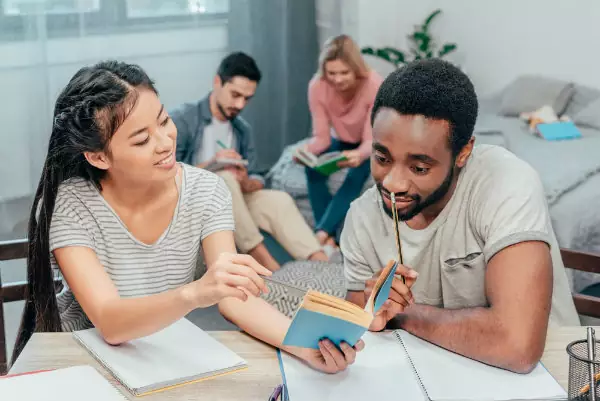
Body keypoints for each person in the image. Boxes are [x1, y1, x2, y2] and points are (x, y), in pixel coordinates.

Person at [11, 60, 363, 374]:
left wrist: (302, 347)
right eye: (141, 140)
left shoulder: (205, 191)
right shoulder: (72, 204)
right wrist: (195, 293)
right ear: (99, 157)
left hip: (157, 358)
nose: (165, 142)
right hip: (80, 361)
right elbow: (111, 322)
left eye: (164, 121)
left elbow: (233, 298)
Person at [341, 58, 580, 374]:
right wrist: (372, 312)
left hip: (549, 378)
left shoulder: (506, 183)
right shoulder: (361, 216)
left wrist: (404, 314)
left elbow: (518, 347)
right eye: (382, 157)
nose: (393, 184)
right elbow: (358, 322)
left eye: (419, 167)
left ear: (464, 152)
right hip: (431, 374)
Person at [172, 52, 327, 272]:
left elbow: (255, 173)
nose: (240, 104)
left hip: (235, 199)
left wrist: (248, 181)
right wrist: (212, 163)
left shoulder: (242, 129)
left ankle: (323, 265)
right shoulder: (184, 119)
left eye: (246, 98)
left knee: (279, 200)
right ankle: (267, 265)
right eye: (235, 94)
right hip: (193, 201)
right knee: (224, 178)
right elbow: (166, 173)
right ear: (217, 82)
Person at [299, 34, 383, 247]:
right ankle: (330, 238)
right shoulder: (317, 86)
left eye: (344, 73)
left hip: (369, 144)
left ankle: (323, 233)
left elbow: (369, 140)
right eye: (332, 73)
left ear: (356, 69)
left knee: (356, 175)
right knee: (312, 169)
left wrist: (359, 155)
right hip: (342, 141)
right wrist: (305, 152)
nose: (337, 80)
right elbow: (322, 138)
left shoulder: (373, 83)